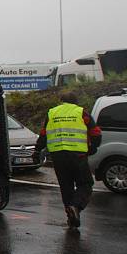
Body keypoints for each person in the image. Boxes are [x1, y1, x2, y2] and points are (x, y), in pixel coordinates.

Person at [36, 92, 102, 229]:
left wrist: (37, 150)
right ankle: (76, 206)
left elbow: (43, 135)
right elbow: (95, 133)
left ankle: (72, 220)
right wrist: (93, 148)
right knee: (85, 184)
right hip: (77, 155)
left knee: (66, 187)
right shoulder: (81, 112)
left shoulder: (51, 113)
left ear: (61, 101)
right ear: (75, 101)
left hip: (58, 156)